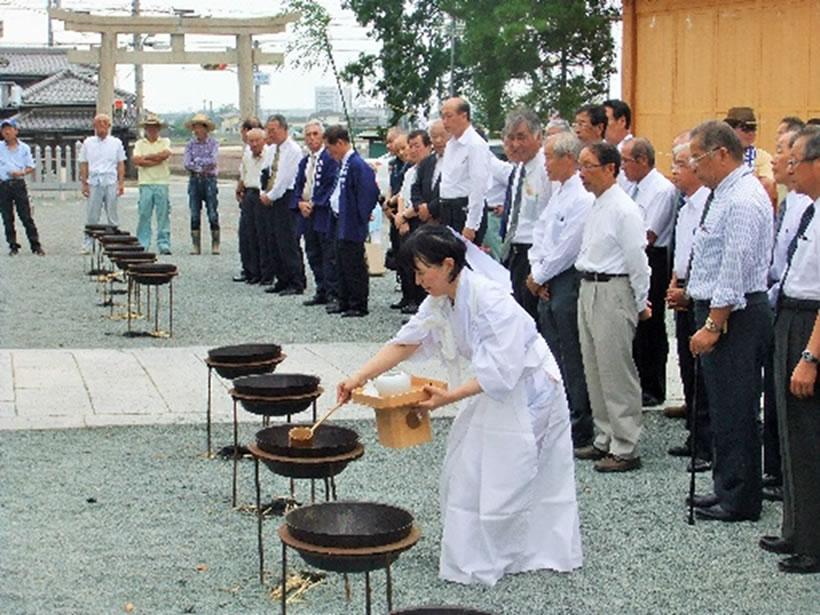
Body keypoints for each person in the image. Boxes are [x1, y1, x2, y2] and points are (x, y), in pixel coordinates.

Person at [337, 224, 582, 586]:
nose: (419, 281)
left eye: (423, 272)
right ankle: (480, 550)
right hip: (490, 385)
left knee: (511, 470)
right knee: (468, 466)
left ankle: (514, 549)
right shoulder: (440, 299)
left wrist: (449, 397)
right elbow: (406, 342)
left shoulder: (490, 299)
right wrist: (357, 377)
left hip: (527, 387)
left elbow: (504, 367)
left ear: (449, 264)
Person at [687, 120, 773, 522]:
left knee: (736, 408)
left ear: (722, 153)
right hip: (722, 311)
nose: (693, 167)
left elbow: (733, 266)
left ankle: (740, 498)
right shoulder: (724, 192)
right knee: (722, 407)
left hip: (735, 315)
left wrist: (713, 323)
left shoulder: (741, 199)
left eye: (697, 158)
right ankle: (726, 486)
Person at [760, 125, 820, 574]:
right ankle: (797, 529)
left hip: (810, 326)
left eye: (797, 159)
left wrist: (810, 355)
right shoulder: (811, 209)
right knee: (789, 433)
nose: (789, 167)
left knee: (808, 438)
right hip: (792, 316)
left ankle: (813, 543)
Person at [574, 141, 651, 472]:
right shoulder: (597, 205)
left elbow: (638, 260)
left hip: (613, 289)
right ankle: (605, 436)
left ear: (610, 169)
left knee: (616, 370)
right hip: (589, 287)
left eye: (588, 167)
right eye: (580, 167)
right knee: (595, 369)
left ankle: (626, 444)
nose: (582, 174)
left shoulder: (624, 209)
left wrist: (639, 300)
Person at [527, 130, 594, 450]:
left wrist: (540, 273)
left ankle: (580, 423)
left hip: (566, 278)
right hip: (547, 277)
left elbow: (569, 246)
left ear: (568, 159)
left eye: (549, 157)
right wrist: (536, 271)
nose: (545, 164)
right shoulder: (559, 192)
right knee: (552, 353)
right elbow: (541, 232)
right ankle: (559, 415)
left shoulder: (581, 195)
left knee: (571, 354)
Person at [665, 141, 712, 471]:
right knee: (686, 366)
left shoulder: (708, 205)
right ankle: (695, 435)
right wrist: (674, 282)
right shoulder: (685, 206)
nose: (674, 171)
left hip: (699, 294)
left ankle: (708, 443)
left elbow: (705, 257)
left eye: (680, 164)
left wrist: (688, 290)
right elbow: (681, 254)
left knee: (704, 374)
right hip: (682, 288)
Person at [622, 138, 677, 406]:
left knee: (651, 325)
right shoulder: (633, 187)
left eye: (626, 161)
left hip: (651, 258)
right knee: (635, 325)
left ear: (643, 160)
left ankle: (654, 386)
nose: (622, 167)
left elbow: (650, 234)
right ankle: (637, 381)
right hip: (631, 256)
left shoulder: (661, 190)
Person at [498, 108, 553, 324]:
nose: (515, 144)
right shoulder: (519, 169)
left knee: (533, 323)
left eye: (521, 137)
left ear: (538, 137)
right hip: (515, 251)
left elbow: (550, 222)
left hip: (534, 254)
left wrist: (542, 271)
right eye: (510, 138)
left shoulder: (546, 170)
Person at [324, 125, 379, 317]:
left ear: (340, 143)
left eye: (331, 149)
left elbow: (369, 192)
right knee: (341, 262)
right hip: (340, 220)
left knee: (354, 263)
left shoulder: (357, 165)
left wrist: (361, 215)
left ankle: (358, 303)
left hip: (352, 221)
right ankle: (344, 300)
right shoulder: (344, 164)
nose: (331, 154)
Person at [292, 120, 340, 306]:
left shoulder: (329, 159)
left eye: (315, 134)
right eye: (308, 135)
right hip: (306, 214)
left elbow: (330, 186)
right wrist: (299, 203)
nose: (311, 138)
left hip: (323, 213)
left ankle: (333, 291)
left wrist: (314, 203)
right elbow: (298, 185)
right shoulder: (305, 161)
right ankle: (321, 288)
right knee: (312, 252)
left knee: (328, 253)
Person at [260, 114, 306, 296]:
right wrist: (263, 193)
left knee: (288, 240)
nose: (270, 134)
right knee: (274, 241)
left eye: (273, 130)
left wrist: (271, 195)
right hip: (270, 196)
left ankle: (296, 280)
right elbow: (265, 172)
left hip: (285, 196)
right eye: (268, 130)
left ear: (284, 129)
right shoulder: (271, 150)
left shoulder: (293, 150)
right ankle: (282, 278)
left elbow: (285, 178)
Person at [439, 97, 491, 243]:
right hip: (447, 209)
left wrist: (471, 225)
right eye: (443, 117)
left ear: (464, 116)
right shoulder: (450, 144)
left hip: (463, 210)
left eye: (449, 116)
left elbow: (478, 186)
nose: (445, 122)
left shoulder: (475, 145)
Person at [393, 129, 433, 314]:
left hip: (419, 220)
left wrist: (406, 216)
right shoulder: (410, 171)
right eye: (411, 146)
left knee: (420, 264)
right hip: (405, 219)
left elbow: (423, 200)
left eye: (417, 146)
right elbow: (402, 196)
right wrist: (400, 216)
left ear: (428, 146)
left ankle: (419, 303)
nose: (412, 150)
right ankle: (408, 297)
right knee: (405, 262)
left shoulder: (430, 170)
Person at [79, 113, 125, 254]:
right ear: (94, 126)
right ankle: (88, 242)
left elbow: (120, 163)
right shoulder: (88, 143)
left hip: (110, 180)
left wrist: (121, 183)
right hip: (94, 180)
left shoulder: (116, 142)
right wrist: (84, 183)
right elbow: (84, 163)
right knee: (92, 214)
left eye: (105, 123)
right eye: (98, 123)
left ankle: (115, 242)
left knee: (112, 213)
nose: (102, 126)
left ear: (109, 126)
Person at [0, 118, 44, 256]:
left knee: (25, 215)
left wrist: (21, 172)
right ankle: (13, 245)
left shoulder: (23, 148)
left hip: (18, 183)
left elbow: (30, 166)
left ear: (16, 131)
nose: (6, 132)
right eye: (4, 129)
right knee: (7, 217)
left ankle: (35, 245)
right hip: (3, 184)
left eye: (9, 129)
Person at [132, 114, 172, 254]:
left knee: (163, 215)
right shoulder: (139, 144)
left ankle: (164, 243)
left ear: (158, 129)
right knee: (144, 214)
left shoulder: (165, 141)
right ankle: (143, 242)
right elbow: (136, 160)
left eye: (154, 128)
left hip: (162, 181)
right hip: (145, 182)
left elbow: (165, 155)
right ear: (146, 129)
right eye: (149, 128)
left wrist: (146, 159)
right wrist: (155, 159)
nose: (152, 130)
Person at [234, 127, 269, 285]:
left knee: (261, 235)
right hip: (248, 194)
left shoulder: (269, 155)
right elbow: (244, 174)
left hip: (261, 194)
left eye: (257, 141)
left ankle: (264, 273)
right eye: (251, 141)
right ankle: (250, 270)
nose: (254, 144)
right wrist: (239, 189)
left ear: (264, 140)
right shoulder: (247, 154)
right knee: (246, 235)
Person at [183, 113, 220, 255]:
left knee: (212, 212)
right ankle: (195, 245)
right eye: (194, 128)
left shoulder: (213, 143)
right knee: (194, 213)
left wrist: (196, 162)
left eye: (198, 127)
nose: (196, 130)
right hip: (194, 180)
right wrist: (200, 165)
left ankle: (215, 243)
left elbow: (213, 161)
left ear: (205, 129)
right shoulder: (190, 144)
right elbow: (186, 163)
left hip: (209, 180)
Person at [411, 119, 446, 223]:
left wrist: (430, 210)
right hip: (425, 222)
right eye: (434, 137)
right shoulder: (426, 162)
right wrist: (420, 206)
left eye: (442, 136)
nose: (438, 140)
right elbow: (416, 188)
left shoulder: (457, 162)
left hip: (446, 219)